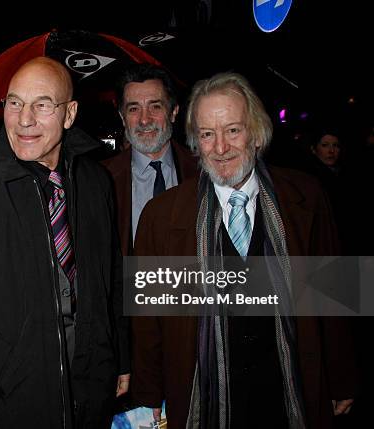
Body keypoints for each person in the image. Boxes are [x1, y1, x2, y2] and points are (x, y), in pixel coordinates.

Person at [131, 72, 356, 428]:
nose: (220, 148)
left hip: (287, 392)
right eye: (207, 134)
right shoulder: (160, 217)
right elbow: (148, 320)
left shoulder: (307, 197)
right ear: (195, 141)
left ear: (256, 134)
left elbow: (337, 295)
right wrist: (147, 393)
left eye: (233, 130)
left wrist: (342, 376)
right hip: (202, 399)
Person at [0, 57, 129, 428]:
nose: (24, 119)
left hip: (90, 396)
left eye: (42, 105)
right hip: (12, 408)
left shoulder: (95, 182)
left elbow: (111, 279)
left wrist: (119, 360)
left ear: (70, 114)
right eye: (14, 103)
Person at [103, 64, 197, 255]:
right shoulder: (101, 178)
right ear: (122, 117)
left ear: (173, 112)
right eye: (133, 109)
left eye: (155, 106)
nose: (144, 120)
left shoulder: (203, 171)